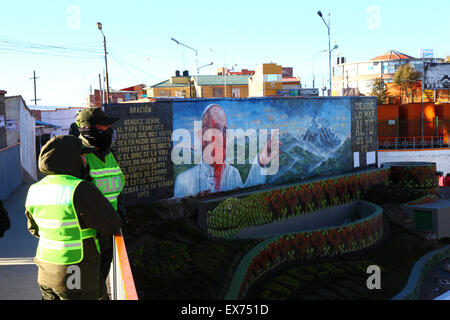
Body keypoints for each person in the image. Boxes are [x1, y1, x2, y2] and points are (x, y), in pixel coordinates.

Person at [24, 135, 121, 300]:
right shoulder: (80, 188)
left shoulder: (34, 189)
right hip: (76, 276)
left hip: (46, 273)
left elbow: (34, 229)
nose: (84, 160)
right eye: (81, 155)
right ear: (70, 159)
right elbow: (112, 224)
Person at [174, 104, 279, 198]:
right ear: (201, 135)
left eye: (224, 130)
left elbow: (246, 196)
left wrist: (261, 161)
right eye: (216, 128)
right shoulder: (184, 181)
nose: (221, 136)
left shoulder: (233, 173)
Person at [75, 107, 125, 300]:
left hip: (108, 234)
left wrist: (119, 215)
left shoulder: (109, 154)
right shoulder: (78, 157)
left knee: (98, 287)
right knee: (86, 291)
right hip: (86, 242)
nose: (109, 131)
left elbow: (118, 190)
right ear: (89, 130)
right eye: (105, 127)